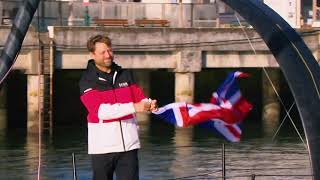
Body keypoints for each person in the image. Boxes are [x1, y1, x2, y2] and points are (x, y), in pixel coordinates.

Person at [79, 34, 158, 180]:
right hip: (102, 149)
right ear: (93, 54)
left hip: (129, 146)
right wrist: (135, 107)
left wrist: (150, 104)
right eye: (103, 52)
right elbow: (101, 112)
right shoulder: (87, 81)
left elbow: (140, 97)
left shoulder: (125, 74)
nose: (108, 55)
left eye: (109, 50)